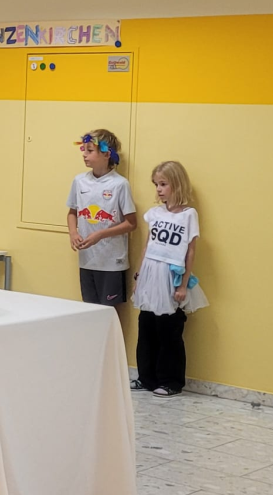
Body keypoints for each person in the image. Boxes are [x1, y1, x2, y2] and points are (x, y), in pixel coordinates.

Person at [131, 161, 208, 397]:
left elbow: (190, 251)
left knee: (169, 329)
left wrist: (183, 284)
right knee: (146, 326)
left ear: (177, 184)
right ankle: (146, 377)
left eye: (163, 184)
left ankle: (171, 381)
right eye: (156, 184)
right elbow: (148, 246)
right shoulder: (155, 213)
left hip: (170, 276)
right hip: (150, 273)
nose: (159, 189)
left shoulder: (188, 215)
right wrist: (139, 276)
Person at [67, 129, 137, 308]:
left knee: (109, 311)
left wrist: (100, 235)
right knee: (90, 310)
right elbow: (72, 212)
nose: (84, 154)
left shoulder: (120, 184)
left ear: (106, 154)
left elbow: (131, 223)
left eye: (90, 150)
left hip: (112, 262)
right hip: (87, 260)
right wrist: (73, 233)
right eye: (83, 149)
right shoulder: (79, 181)